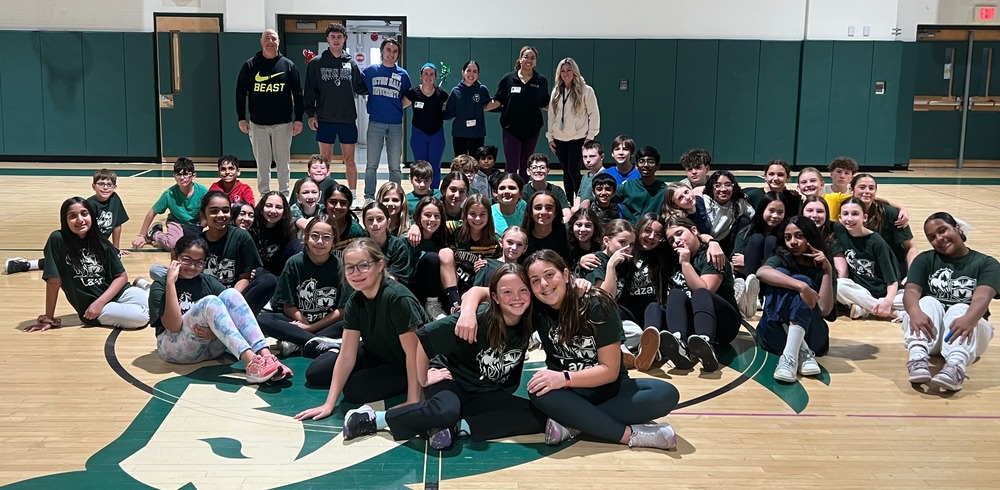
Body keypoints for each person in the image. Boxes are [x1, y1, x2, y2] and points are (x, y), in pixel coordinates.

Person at [456, 250, 681, 450]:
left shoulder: (596, 304)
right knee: (538, 390)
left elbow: (610, 371)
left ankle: (571, 423)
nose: (544, 284)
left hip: (606, 387)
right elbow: (480, 291)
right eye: (535, 280)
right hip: (565, 395)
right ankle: (631, 436)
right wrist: (467, 311)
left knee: (666, 393)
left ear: (565, 275)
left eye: (549, 275)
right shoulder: (535, 309)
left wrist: (564, 378)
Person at [334, 263, 545, 449]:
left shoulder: (530, 318)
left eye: (523, 290)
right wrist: (424, 377)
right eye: (507, 292)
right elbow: (424, 336)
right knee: (444, 411)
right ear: (495, 297)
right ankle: (374, 419)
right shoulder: (478, 319)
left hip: (485, 390)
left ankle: (460, 428)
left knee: (538, 415)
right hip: (451, 379)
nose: (516, 298)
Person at [295, 238, 429, 418]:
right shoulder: (355, 301)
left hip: (405, 362)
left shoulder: (397, 298)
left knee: (354, 390)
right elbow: (347, 355)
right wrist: (328, 404)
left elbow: (413, 354)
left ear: (380, 265)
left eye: (363, 265)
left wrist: (413, 399)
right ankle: (335, 346)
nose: (355, 273)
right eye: (349, 267)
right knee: (315, 373)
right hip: (377, 350)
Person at [148, 236, 291, 383]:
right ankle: (251, 363)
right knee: (211, 301)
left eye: (199, 262)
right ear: (174, 257)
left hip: (211, 348)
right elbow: (173, 327)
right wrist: (171, 282)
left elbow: (234, 314)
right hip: (174, 350)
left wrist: (215, 332)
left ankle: (266, 357)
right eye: (186, 259)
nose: (192, 266)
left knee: (231, 294)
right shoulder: (160, 285)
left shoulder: (205, 281)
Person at [902, 212, 999, 392]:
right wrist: (915, 312)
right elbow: (911, 291)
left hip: (971, 335)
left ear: (957, 228)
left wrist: (969, 318)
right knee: (927, 301)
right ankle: (917, 358)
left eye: (942, 230)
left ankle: (955, 367)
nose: (939, 238)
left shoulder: (986, 263)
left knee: (961, 308)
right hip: (933, 335)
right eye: (932, 237)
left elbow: (982, 297)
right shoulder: (924, 259)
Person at [24, 197, 148, 332]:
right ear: (64, 220)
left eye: (84, 214)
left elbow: (121, 276)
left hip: (118, 293)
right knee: (141, 318)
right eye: (72, 216)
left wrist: (101, 301)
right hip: (91, 308)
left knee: (159, 305)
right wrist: (49, 317)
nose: (80, 220)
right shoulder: (57, 240)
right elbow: (54, 281)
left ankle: (147, 292)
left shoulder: (101, 241)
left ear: (91, 216)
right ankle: (147, 291)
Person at [756, 216, 836, 383]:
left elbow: (824, 310)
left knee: (801, 281)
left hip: (812, 336)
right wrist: (801, 287)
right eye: (788, 237)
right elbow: (761, 273)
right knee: (788, 277)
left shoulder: (823, 264)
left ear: (810, 237)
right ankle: (800, 353)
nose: (793, 242)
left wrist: (828, 271)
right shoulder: (780, 258)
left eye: (799, 236)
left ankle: (790, 357)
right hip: (775, 332)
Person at [656, 217, 740, 373]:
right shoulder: (674, 257)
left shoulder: (711, 255)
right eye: (671, 240)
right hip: (693, 327)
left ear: (694, 231)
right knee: (675, 294)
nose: (676, 241)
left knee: (700, 293)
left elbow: (705, 290)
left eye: (680, 234)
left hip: (724, 323)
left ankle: (705, 341)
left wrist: (687, 262)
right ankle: (679, 343)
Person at [258, 217, 346, 354]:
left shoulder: (341, 266)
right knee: (263, 319)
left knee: (350, 322)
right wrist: (306, 324)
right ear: (306, 238)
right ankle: (316, 341)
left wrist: (311, 328)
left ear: (334, 241)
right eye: (314, 236)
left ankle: (299, 341)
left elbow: (342, 310)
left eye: (326, 237)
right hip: (298, 321)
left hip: (328, 323)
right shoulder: (294, 263)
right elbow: (288, 306)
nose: (320, 242)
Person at [304, 23, 368, 209]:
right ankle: (325, 195)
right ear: (328, 39)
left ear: (344, 39)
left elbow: (360, 87)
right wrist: (310, 114)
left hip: (347, 119)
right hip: (325, 119)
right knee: (325, 161)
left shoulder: (351, 63)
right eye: (333, 36)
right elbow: (310, 90)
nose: (336, 40)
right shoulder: (317, 63)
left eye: (339, 36)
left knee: (349, 159)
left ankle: (354, 196)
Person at [236, 29, 303, 197]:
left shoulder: (288, 65)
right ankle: (264, 195)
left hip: (283, 123)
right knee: (262, 164)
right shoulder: (250, 65)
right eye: (267, 38)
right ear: (261, 41)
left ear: (278, 42)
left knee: (283, 163)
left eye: (273, 38)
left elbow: (298, 93)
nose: (270, 42)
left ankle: (284, 195)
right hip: (257, 124)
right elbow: (240, 92)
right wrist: (241, 118)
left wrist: (299, 118)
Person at [833, 198, 902, 320]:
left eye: (855, 214)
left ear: (864, 217)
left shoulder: (877, 242)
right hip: (861, 291)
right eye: (845, 214)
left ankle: (865, 308)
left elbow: (892, 280)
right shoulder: (840, 231)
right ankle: (894, 314)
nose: (849, 219)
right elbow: (817, 217)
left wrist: (888, 300)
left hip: (883, 292)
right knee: (837, 285)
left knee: (914, 300)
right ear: (839, 217)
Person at [363, 37, 411, 204]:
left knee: (395, 166)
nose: (391, 54)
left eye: (395, 51)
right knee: (371, 165)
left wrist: (397, 107)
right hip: (375, 123)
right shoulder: (370, 71)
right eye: (388, 50)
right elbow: (359, 87)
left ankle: (394, 195)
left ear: (398, 54)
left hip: (396, 125)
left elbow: (409, 96)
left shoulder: (403, 74)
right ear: (382, 52)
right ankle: (369, 197)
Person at [492, 46, 549, 180]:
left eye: (532, 58)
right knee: (511, 164)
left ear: (536, 62)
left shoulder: (541, 81)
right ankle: (509, 190)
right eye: (526, 57)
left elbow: (545, 103)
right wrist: (478, 106)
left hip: (532, 128)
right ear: (520, 59)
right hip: (511, 128)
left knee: (526, 165)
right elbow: (498, 100)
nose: (529, 60)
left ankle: (523, 194)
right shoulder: (508, 79)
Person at [546, 57, 600, 201]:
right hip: (559, 138)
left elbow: (594, 114)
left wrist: (590, 137)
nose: (565, 73)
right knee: (566, 171)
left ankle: (581, 198)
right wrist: (550, 136)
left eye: (568, 70)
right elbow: (551, 115)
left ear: (574, 71)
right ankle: (569, 201)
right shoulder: (556, 91)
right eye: (562, 71)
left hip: (578, 138)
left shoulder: (586, 90)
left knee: (573, 170)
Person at [132, 158, 209, 252]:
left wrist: (201, 228)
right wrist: (141, 235)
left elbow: (207, 212)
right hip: (176, 222)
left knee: (198, 245)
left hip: (195, 225)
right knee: (172, 245)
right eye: (179, 174)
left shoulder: (203, 192)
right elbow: (152, 211)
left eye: (185, 174)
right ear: (174, 176)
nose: (182, 178)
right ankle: (154, 233)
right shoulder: (169, 194)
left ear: (193, 176)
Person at [850, 173, 917, 279]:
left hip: (891, 268)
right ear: (851, 190)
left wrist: (912, 276)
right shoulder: (846, 210)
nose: (867, 191)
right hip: (863, 267)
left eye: (871, 188)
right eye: (862, 187)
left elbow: (911, 247)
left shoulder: (891, 214)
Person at [405, 62, 449, 189]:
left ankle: (434, 193)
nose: (428, 76)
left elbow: (451, 110)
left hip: (437, 135)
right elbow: (399, 106)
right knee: (420, 167)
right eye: (426, 74)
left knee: (435, 166)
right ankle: (420, 192)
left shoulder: (442, 94)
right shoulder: (413, 93)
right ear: (420, 76)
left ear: (436, 77)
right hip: (418, 134)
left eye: (431, 74)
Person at [446, 61, 493, 157]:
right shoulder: (455, 91)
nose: (471, 74)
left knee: (475, 164)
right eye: (469, 70)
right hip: (459, 134)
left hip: (477, 134)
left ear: (478, 74)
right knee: (460, 164)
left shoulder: (482, 90)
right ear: (463, 72)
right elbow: (449, 112)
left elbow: (489, 105)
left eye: (475, 71)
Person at [701, 170, 753, 258]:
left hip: (726, 244)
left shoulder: (739, 202)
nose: (723, 189)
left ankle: (736, 260)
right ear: (711, 187)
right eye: (717, 185)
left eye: (728, 185)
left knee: (745, 221)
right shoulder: (704, 201)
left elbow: (755, 217)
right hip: (705, 243)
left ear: (733, 187)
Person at [614, 146, 664, 222]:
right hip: (630, 231)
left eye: (650, 162)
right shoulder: (627, 186)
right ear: (636, 166)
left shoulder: (664, 190)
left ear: (658, 166)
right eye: (641, 161)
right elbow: (605, 200)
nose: (646, 165)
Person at [574, 140, 605, 211]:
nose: (588, 160)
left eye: (592, 156)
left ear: (602, 156)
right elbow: (579, 195)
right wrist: (576, 209)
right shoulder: (585, 176)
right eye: (585, 157)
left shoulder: (606, 175)